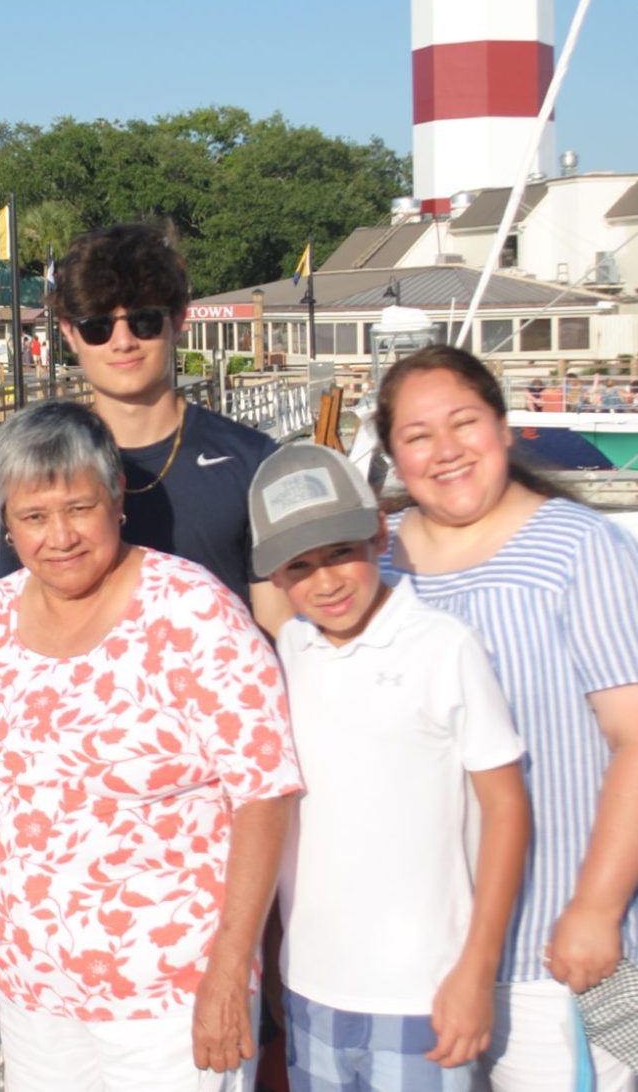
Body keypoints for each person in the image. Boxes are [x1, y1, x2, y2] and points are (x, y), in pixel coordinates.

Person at [0, 400, 302, 1091]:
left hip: (172, 996)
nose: (60, 536)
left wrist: (232, 969)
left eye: (78, 508)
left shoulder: (193, 612)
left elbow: (265, 791)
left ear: (116, 499)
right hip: (31, 993)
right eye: (33, 517)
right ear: (8, 523)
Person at [374, 345, 638, 1092]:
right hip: (434, 956)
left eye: (464, 423)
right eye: (418, 437)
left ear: (503, 426)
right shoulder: (381, 564)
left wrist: (597, 907)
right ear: (393, 453)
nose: (445, 451)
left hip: (573, 947)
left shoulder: (584, 549)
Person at [248, 442, 529, 1092]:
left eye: (341, 551)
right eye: (301, 565)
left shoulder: (443, 646)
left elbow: (507, 809)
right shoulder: (288, 648)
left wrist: (475, 972)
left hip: (423, 995)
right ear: (279, 578)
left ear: (378, 532)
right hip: (309, 985)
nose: (326, 581)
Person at [44, 223, 292, 634]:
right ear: (70, 334)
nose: (122, 341)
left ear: (178, 321)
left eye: (144, 321)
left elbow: (277, 633)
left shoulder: (253, 463)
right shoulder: (40, 469)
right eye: (97, 327)